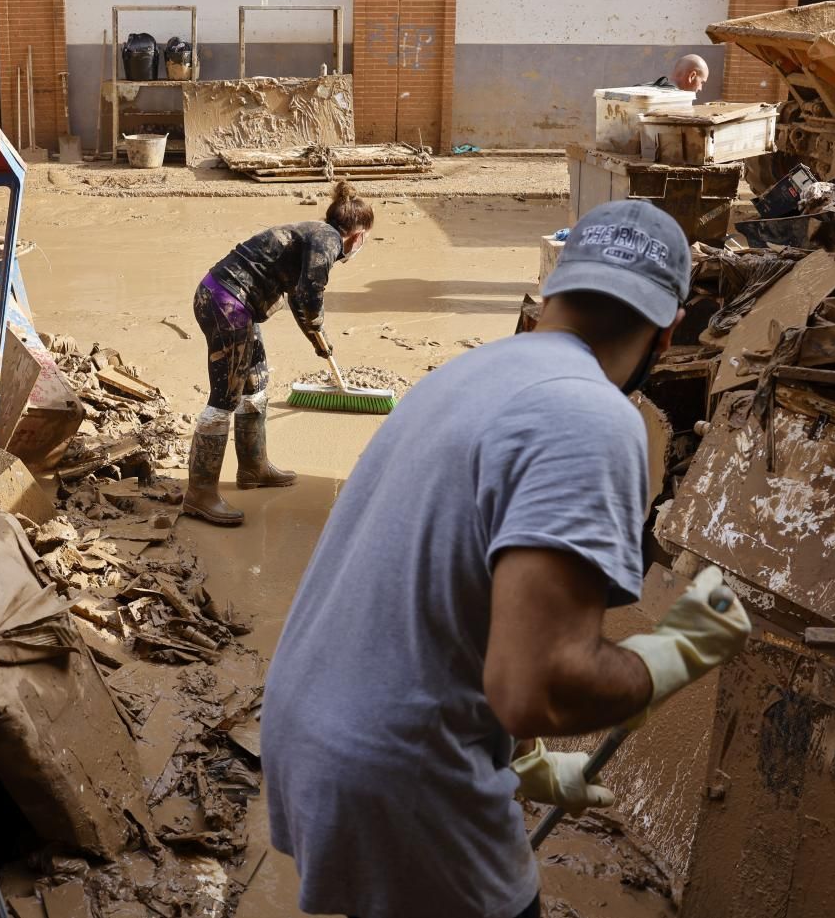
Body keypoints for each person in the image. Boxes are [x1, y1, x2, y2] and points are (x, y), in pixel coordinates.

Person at [260, 199, 752, 918]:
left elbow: (452, 592)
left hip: (313, 731)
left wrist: (520, 760)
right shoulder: (594, 416)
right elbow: (537, 686)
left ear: (550, 292)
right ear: (670, 332)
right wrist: (674, 652)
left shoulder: (464, 377)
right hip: (400, 767)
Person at [184, 181, 374, 526]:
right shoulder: (328, 239)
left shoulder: (313, 235)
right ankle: (199, 494)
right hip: (226, 303)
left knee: (255, 384)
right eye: (363, 239)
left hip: (232, 304)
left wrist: (317, 338)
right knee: (224, 398)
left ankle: (253, 468)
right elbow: (308, 295)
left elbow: (298, 298)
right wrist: (318, 332)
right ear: (356, 236)